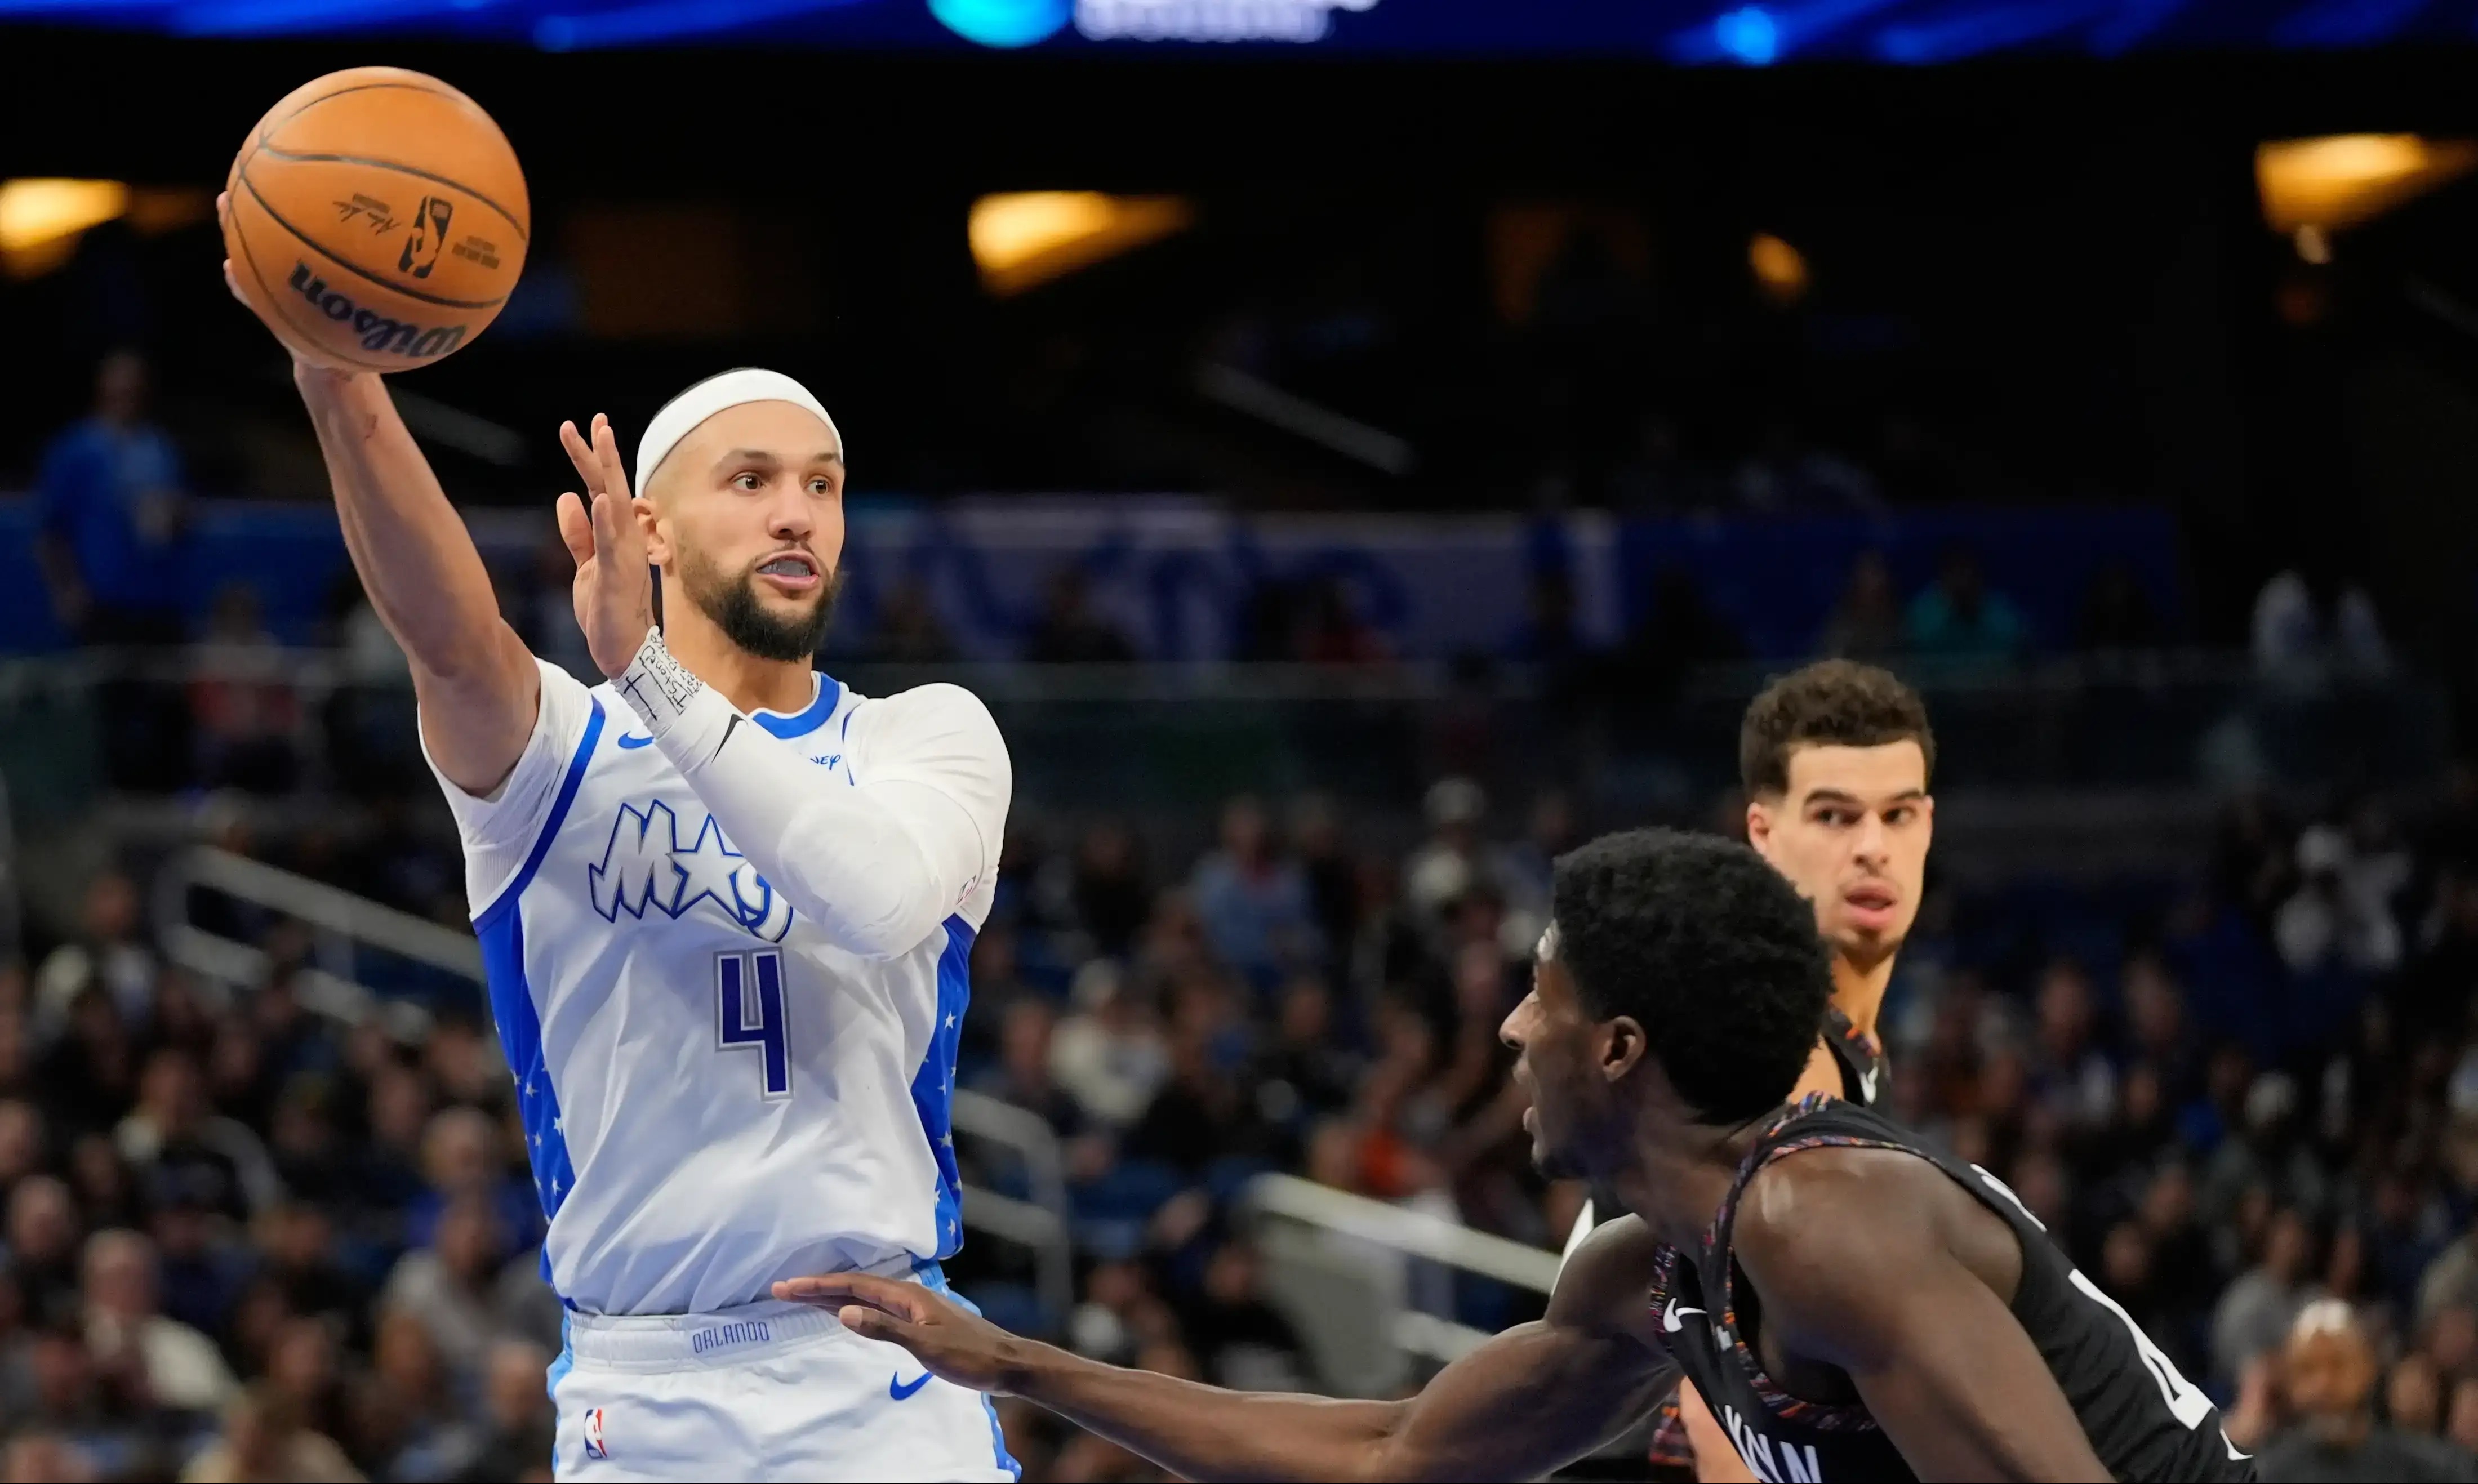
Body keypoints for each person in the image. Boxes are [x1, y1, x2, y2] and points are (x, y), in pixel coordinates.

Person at [221, 205, 1017, 1482]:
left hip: (877, 1372)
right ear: (647, 527)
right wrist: (336, 377)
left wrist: (650, 672)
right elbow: (447, 633)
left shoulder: (927, 737)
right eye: (750, 480)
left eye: (822, 483)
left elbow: (874, 900)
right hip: (639, 1392)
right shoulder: (563, 756)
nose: (797, 513)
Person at [780, 829, 2254, 1483]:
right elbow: (1389, 1455)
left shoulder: (1824, 1220)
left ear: (1615, 1045)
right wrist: (1019, 1363)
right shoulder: (1658, 1270)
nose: (1498, 1027)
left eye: (1534, 993)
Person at [2253, 1300, 2475, 1482]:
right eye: (2307, 1369)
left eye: (2338, 1364)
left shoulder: (2434, 1470)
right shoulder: (2267, 1474)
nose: (2324, 1384)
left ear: (2368, 1368)